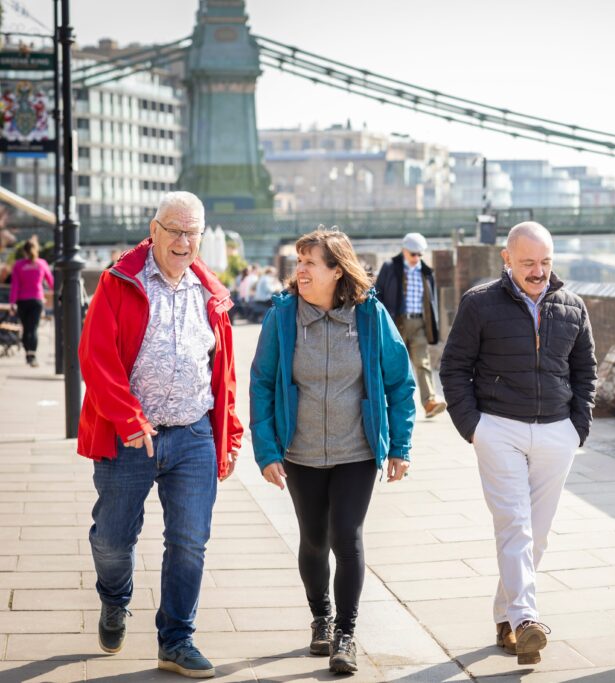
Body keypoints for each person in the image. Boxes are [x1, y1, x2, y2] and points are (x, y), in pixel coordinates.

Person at [77, 191, 243, 678]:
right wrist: (129, 419)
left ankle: (176, 639)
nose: (183, 240)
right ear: (154, 230)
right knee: (112, 540)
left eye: (192, 232)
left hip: (193, 433)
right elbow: (97, 357)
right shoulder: (118, 282)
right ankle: (114, 598)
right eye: (174, 229)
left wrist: (228, 436)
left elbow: (224, 372)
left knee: (190, 541)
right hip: (130, 437)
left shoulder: (209, 292)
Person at [249, 228, 416, 675]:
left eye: (309, 262)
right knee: (314, 539)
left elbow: (400, 382)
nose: (299, 270)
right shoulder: (282, 318)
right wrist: (266, 451)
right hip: (300, 452)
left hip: (356, 451)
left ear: (336, 270)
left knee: (347, 536)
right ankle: (320, 618)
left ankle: (346, 633)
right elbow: (262, 384)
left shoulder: (370, 316)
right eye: (297, 261)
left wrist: (400, 446)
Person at [440, 221, 596, 666]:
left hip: (556, 432)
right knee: (514, 523)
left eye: (545, 262)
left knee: (537, 534)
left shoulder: (572, 306)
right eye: (528, 262)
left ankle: (505, 620)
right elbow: (454, 368)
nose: (538, 271)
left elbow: (586, 371)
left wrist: (576, 428)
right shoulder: (480, 303)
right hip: (499, 428)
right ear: (506, 259)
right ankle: (527, 619)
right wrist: (474, 427)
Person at [375, 232, 447, 418]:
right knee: (393, 362)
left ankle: (429, 402)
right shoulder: (390, 267)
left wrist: (433, 324)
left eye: (420, 254)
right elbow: (379, 294)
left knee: (422, 362)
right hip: (396, 321)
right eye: (413, 254)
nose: (416, 258)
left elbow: (432, 301)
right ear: (404, 251)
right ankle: (385, 402)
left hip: (419, 322)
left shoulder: (426, 272)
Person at [8, 238, 54, 367]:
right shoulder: (42, 263)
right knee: (33, 329)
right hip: (37, 300)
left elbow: (15, 285)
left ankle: (28, 354)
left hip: (22, 301)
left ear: (24, 252)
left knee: (26, 328)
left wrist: (12, 303)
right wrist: (58, 296)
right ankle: (31, 355)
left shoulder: (18, 265)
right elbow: (51, 282)